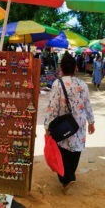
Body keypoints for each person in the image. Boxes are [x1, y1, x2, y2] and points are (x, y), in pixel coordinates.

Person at [44, 52, 95, 194]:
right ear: (75, 68)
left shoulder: (57, 84)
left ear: (61, 68)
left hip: (62, 126)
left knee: (62, 152)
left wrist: (47, 126)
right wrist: (91, 122)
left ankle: (67, 178)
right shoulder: (83, 85)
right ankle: (70, 175)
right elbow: (87, 105)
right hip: (78, 125)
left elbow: (52, 107)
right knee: (75, 151)